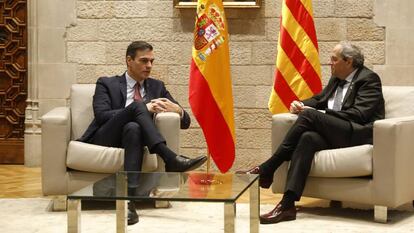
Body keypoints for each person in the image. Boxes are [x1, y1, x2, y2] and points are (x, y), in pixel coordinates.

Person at [237, 41, 385, 224]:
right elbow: (320, 99)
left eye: (334, 59)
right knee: (308, 138)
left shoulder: (369, 79)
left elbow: (359, 114)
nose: (329, 63)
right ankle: (287, 205)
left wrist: (319, 114)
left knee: (309, 116)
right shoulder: (336, 78)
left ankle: (268, 168)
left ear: (349, 62)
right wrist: (302, 104)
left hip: (358, 133)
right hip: (337, 132)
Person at [79, 41, 207, 225]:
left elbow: (185, 122)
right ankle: (169, 158)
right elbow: (101, 116)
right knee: (138, 107)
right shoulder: (106, 83)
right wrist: (142, 108)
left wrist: (178, 110)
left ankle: (129, 201)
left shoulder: (157, 87)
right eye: (144, 61)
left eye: (152, 61)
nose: (149, 66)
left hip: (135, 140)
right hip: (106, 136)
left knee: (134, 128)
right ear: (129, 60)